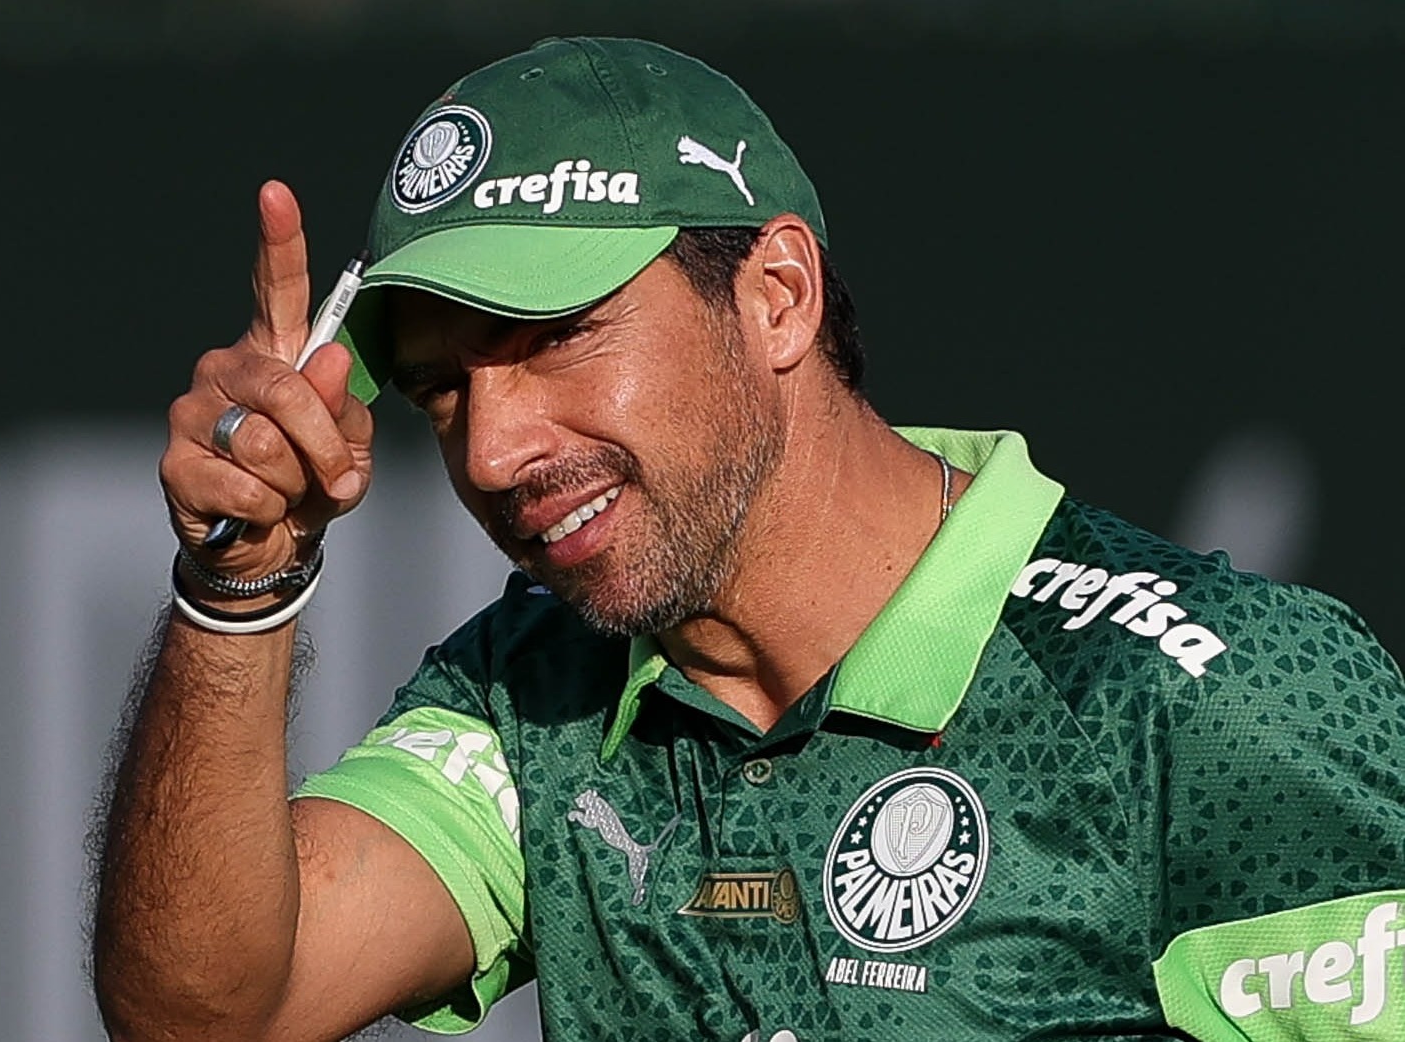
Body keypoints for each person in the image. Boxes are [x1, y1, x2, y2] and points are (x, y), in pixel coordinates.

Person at [91, 35, 1405, 1042]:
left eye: (554, 339)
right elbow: (210, 1014)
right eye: (443, 388)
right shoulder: (527, 696)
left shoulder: (1219, 701)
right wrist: (235, 581)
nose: (489, 449)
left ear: (776, 297)